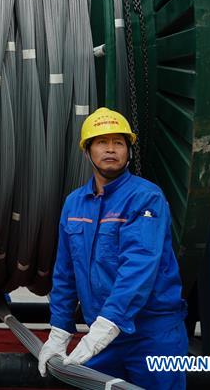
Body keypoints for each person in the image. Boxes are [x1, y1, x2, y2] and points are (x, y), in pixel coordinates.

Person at [37, 108, 188, 389]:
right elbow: (66, 271)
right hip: (102, 336)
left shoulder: (145, 197)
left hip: (152, 335)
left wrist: (107, 326)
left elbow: (139, 265)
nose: (110, 150)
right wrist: (59, 330)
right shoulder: (74, 204)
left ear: (128, 151)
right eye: (101, 142)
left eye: (118, 143)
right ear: (87, 151)